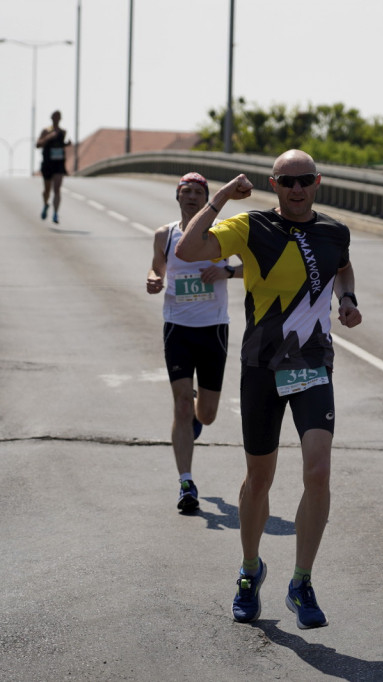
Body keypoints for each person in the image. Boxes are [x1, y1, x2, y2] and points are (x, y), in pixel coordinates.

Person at [175, 149, 362, 629]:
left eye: (304, 180)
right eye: (286, 181)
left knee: (317, 471)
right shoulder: (249, 226)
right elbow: (188, 251)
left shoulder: (334, 231)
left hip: (312, 363)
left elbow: (342, 267)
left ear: (317, 182)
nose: (296, 189)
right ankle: (250, 569)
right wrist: (219, 197)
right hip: (261, 366)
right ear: (273, 185)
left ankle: (301, 581)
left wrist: (348, 300)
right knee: (259, 480)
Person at [147, 172, 242, 513]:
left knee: (208, 415)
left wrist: (227, 272)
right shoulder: (165, 234)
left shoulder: (222, 232)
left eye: (197, 192)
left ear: (206, 198)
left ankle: (198, 412)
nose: (191, 197)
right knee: (181, 406)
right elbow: (156, 269)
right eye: (185, 191)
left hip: (213, 328)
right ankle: (186, 482)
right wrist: (154, 280)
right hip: (178, 327)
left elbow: (258, 267)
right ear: (178, 197)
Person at [36, 110, 70, 223]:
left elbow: (61, 145)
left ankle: (55, 213)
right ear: (51, 118)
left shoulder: (63, 132)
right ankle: (46, 204)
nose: (56, 119)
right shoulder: (46, 131)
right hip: (47, 163)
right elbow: (38, 144)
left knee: (57, 189)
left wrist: (67, 144)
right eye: (55, 117)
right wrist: (48, 137)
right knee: (47, 190)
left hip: (59, 163)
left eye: (58, 117)